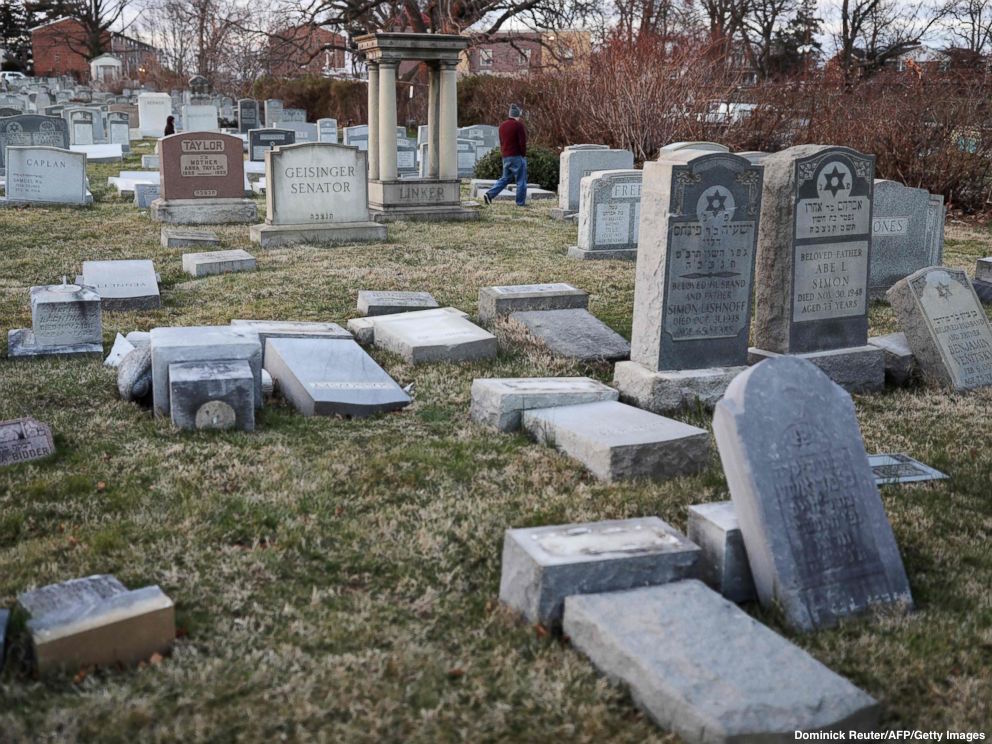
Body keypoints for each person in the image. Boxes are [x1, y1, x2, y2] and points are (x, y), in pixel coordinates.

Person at [483, 104, 527, 207]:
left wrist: (504, 154)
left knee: (505, 178)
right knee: (521, 180)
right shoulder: (518, 125)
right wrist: (523, 155)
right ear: (517, 115)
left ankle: (489, 194)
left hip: (506, 157)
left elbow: (502, 142)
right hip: (516, 156)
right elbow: (522, 143)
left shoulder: (502, 126)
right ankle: (520, 203)